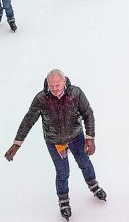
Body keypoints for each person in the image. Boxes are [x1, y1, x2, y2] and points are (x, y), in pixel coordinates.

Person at [5, 69, 105, 220]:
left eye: (57, 85)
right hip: (55, 142)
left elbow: (88, 113)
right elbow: (28, 120)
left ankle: (93, 185)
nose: (54, 89)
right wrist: (16, 144)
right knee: (63, 172)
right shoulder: (41, 99)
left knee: (84, 162)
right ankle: (63, 201)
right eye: (51, 86)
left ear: (65, 82)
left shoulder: (76, 93)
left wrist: (90, 138)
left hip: (76, 137)